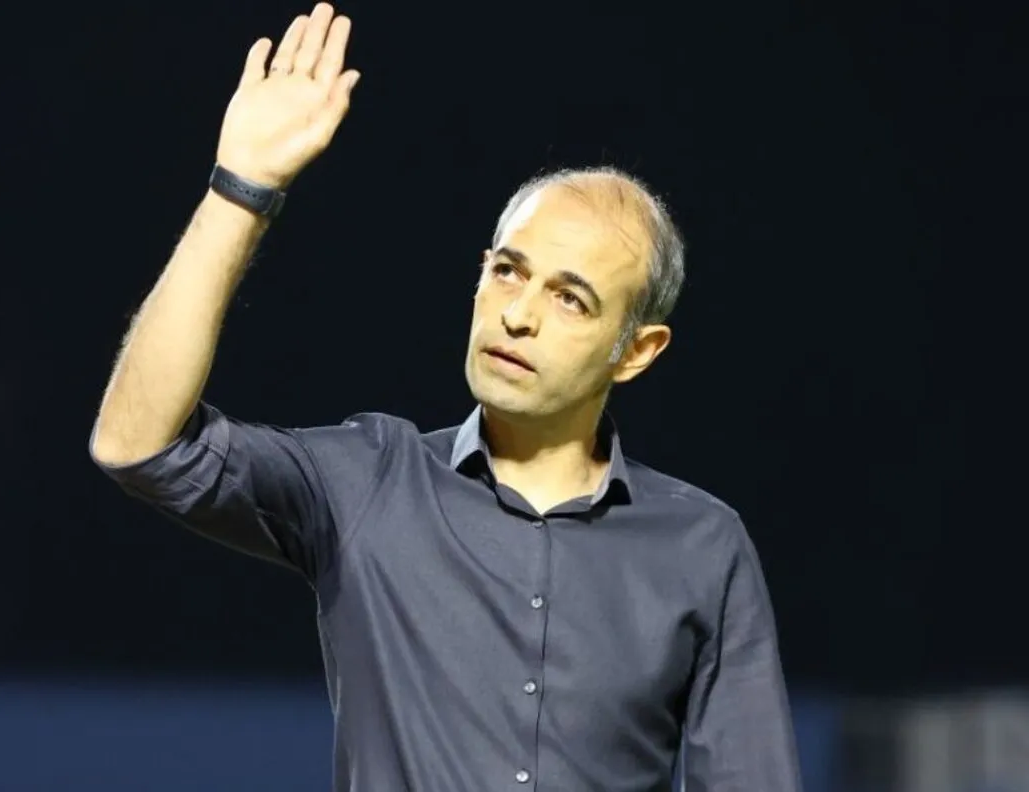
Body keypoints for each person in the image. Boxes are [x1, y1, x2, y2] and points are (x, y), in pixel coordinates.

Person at [89, 4, 804, 791]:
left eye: (570, 298)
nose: (518, 314)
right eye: (508, 272)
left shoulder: (702, 546)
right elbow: (138, 444)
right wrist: (240, 190)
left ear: (636, 351)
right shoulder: (371, 482)